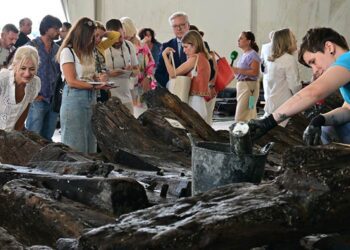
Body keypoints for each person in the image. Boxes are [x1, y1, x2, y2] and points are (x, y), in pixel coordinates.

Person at [248, 27, 350, 146]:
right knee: (327, 129)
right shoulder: (344, 78)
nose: (315, 71)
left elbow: (314, 92)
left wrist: (269, 122)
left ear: (329, 47)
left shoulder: (347, 59)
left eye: (313, 62)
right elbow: (348, 109)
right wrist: (319, 120)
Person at [57, 17, 111, 153]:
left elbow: (90, 76)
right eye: (91, 37)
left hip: (91, 98)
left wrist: (100, 79)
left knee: (91, 141)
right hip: (74, 98)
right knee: (75, 144)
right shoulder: (67, 52)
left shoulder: (89, 52)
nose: (93, 40)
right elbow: (71, 81)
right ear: (81, 35)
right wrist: (94, 86)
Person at [25, 15, 62, 141]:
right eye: (56, 29)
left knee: (47, 138)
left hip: (53, 99)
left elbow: (59, 74)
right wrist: (31, 94)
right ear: (46, 29)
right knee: (32, 137)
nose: (58, 32)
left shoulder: (57, 49)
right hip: (37, 99)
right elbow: (20, 74)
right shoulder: (31, 47)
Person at [162, 30, 210, 119]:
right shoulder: (203, 57)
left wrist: (164, 55)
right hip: (199, 100)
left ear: (194, 45)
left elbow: (173, 74)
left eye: (186, 47)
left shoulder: (194, 58)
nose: (184, 51)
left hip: (194, 100)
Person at [264, 28, 301, 126]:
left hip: (272, 104)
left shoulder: (272, 59)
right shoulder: (289, 59)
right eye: (293, 38)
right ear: (286, 41)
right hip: (285, 106)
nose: (296, 40)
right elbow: (295, 86)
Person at [0, 46, 40, 131]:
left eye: (32, 69)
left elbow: (24, 113)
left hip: (9, 135)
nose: (27, 73)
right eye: (23, 68)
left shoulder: (35, 83)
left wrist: (16, 134)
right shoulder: (3, 78)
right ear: (14, 65)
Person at [105, 18, 139, 114]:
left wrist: (130, 71)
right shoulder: (101, 47)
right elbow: (94, 74)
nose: (117, 41)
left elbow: (137, 71)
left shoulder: (129, 46)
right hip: (107, 98)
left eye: (120, 37)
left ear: (124, 33)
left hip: (126, 97)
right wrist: (110, 73)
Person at [121, 17, 155, 106]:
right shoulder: (121, 46)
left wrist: (148, 77)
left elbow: (151, 63)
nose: (124, 36)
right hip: (126, 86)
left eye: (126, 32)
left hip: (143, 85)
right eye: (122, 33)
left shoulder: (143, 46)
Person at [232, 31, 261, 122]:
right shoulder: (245, 54)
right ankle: (250, 132)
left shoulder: (253, 54)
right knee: (250, 111)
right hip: (243, 86)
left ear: (248, 41)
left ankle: (240, 133)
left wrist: (237, 70)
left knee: (241, 115)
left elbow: (255, 72)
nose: (238, 40)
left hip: (249, 87)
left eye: (241, 38)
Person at [155, 11, 189, 88]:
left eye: (182, 25)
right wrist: (170, 85)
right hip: (174, 90)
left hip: (195, 91)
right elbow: (158, 73)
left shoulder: (200, 44)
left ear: (188, 25)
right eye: (175, 26)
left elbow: (210, 71)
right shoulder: (166, 46)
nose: (179, 28)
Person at [260, 30, 274, 101]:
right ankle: (252, 110)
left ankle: (252, 110)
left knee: (251, 102)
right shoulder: (265, 47)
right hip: (245, 83)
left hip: (250, 83)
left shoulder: (252, 55)